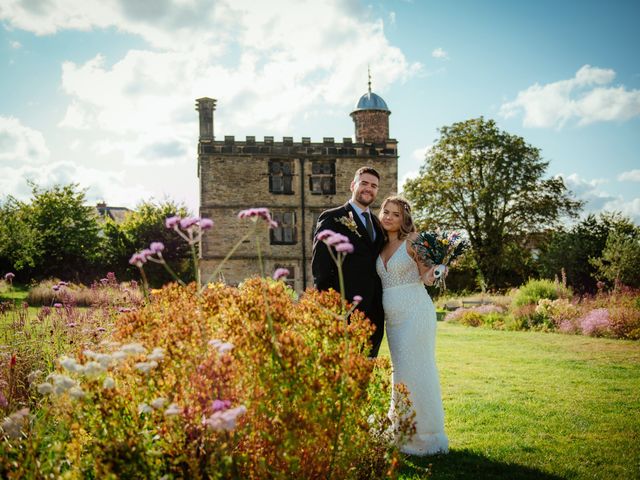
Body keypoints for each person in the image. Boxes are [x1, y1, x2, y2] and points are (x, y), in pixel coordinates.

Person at [376, 195, 449, 456]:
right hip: (393, 321)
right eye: (386, 211)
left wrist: (437, 270)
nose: (389, 217)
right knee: (401, 374)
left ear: (404, 218)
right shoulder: (380, 243)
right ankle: (401, 429)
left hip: (415, 313)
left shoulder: (413, 241)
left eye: (396, 214)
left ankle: (426, 436)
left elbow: (426, 277)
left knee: (419, 371)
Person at [311, 166, 385, 357]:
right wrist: (331, 310)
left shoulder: (377, 224)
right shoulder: (333, 218)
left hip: (374, 313)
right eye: (364, 183)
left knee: (367, 370)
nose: (368, 189)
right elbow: (321, 268)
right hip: (345, 312)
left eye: (374, 186)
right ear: (353, 185)